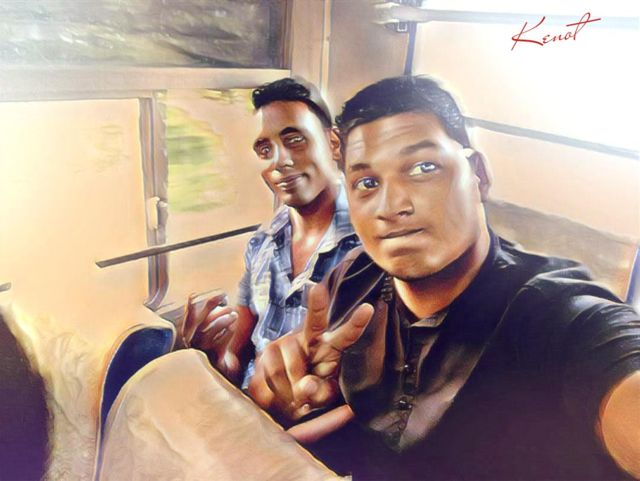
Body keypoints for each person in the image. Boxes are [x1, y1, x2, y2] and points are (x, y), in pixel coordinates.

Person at [247, 76, 640, 480]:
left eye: (423, 168)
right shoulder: (351, 279)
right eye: (367, 183)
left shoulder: (556, 318)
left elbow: (617, 373)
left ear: (478, 174)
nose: (391, 206)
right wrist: (291, 392)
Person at [178, 78, 359, 387]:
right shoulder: (260, 244)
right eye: (265, 150)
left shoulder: (372, 240)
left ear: (333, 143)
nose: (279, 161)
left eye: (295, 140)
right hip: (250, 405)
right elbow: (236, 364)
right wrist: (212, 353)